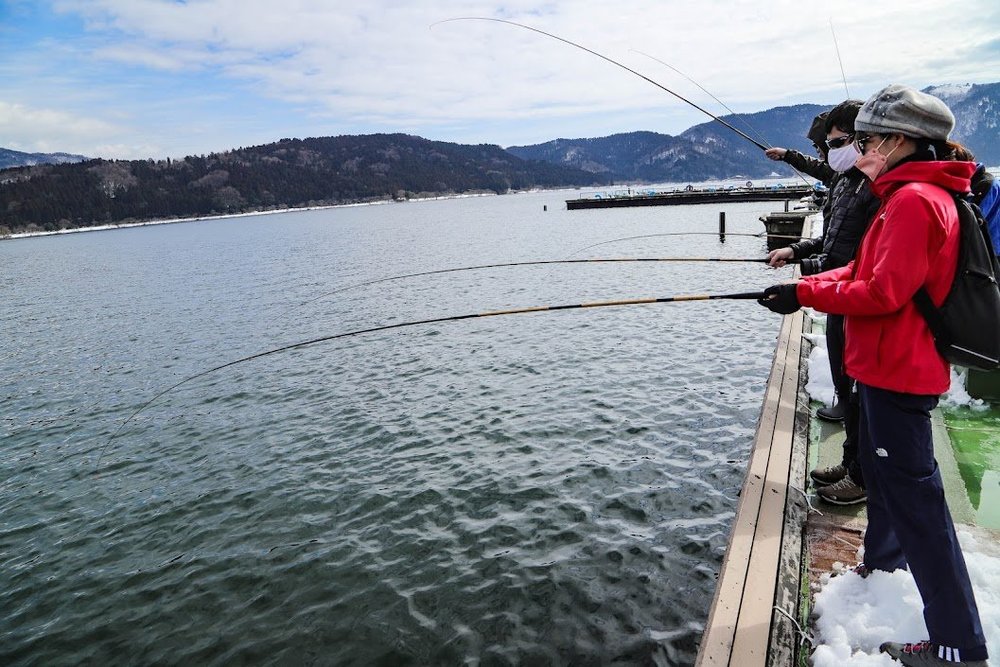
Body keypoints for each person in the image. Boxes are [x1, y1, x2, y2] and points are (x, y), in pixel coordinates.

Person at [758, 84, 988, 667]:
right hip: (889, 366)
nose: (858, 154)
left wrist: (803, 290)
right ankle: (884, 563)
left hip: (898, 369)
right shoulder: (910, 195)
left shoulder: (914, 201)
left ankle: (959, 643)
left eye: (865, 141)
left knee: (921, 507)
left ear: (899, 140)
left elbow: (884, 292)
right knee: (890, 484)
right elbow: (863, 267)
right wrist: (804, 288)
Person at [765, 100, 881, 506]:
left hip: (857, 306)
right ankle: (852, 465)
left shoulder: (876, 189)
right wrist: (796, 251)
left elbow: (859, 263)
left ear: (864, 140)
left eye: (836, 143)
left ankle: (863, 477)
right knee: (846, 392)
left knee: (861, 397)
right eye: (827, 145)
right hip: (838, 301)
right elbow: (832, 242)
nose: (828, 153)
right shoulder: (845, 182)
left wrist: (804, 282)